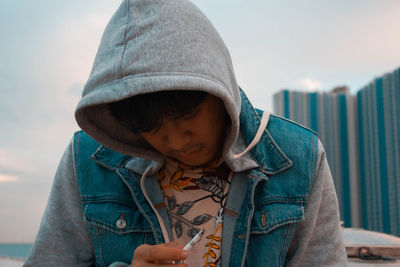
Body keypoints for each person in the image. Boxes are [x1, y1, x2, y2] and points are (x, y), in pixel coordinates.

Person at [24, 0, 347, 266]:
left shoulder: (296, 155)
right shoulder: (89, 159)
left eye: (187, 114)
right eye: (149, 128)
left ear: (219, 92)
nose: (176, 141)